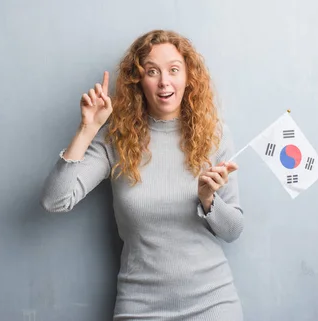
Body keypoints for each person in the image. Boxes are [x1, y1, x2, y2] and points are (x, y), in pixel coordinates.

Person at [40, 29, 244, 321]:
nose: (164, 81)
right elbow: (55, 200)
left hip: (213, 305)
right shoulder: (117, 139)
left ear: (189, 78)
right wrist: (87, 129)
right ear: (138, 81)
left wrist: (209, 200)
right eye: (152, 71)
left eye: (174, 70)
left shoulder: (214, 136)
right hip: (140, 307)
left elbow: (233, 230)